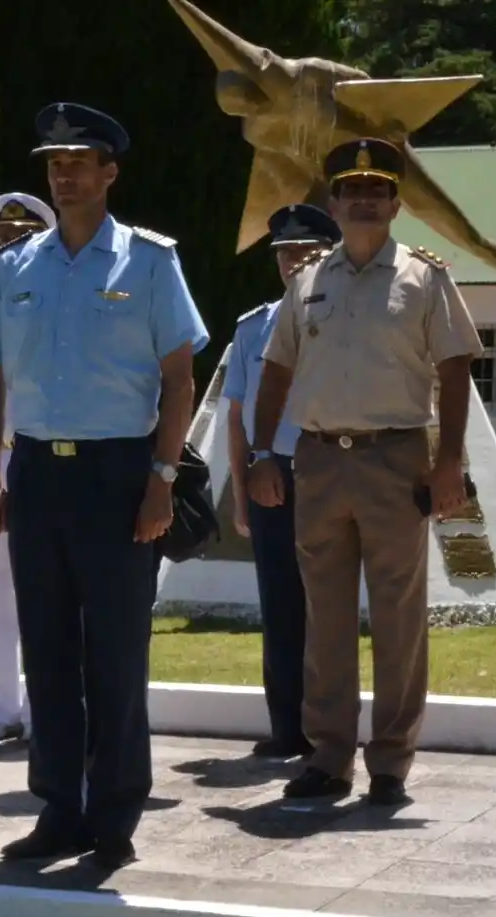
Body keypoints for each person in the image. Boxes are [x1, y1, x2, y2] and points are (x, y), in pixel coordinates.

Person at [0, 103, 209, 869]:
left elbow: (180, 379)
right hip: (37, 473)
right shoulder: (15, 267)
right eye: (54, 163)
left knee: (114, 653)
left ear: (109, 172)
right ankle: (58, 808)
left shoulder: (148, 261)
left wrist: (163, 480)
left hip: (118, 476)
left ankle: (114, 814)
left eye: (80, 162)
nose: (65, 174)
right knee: (49, 650)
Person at [249, 138, 482, 807]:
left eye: (377, 190)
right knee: (324, 617)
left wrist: (449, 463)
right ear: (334, 202)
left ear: (395, 203)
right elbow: (276, 370)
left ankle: (390, 760)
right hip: (320, 460)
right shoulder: (308, 281)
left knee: (398, 616)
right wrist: (266, 451)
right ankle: (326, 756)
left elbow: (456, 368)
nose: (364, 200)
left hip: (395, 458)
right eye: (352, 190)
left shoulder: (424, 278)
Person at [222, 203, 340, 761]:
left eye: (308, 252)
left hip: (334, 471)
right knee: (281, 605)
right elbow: (236, 413)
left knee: (330, 607)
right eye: (286, 254)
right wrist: (243, 492)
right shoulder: (254, 328)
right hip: (273, 473)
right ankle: (286, 726)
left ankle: (329, 730)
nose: (294, 263)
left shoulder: (347, 316)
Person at [0, 192, 57, 743]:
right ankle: (0, 710)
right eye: (3, 236)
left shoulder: (51, 296)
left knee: (44, 591)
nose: (10, 244)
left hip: (38, 454)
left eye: (22, 235)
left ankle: (46, 708)